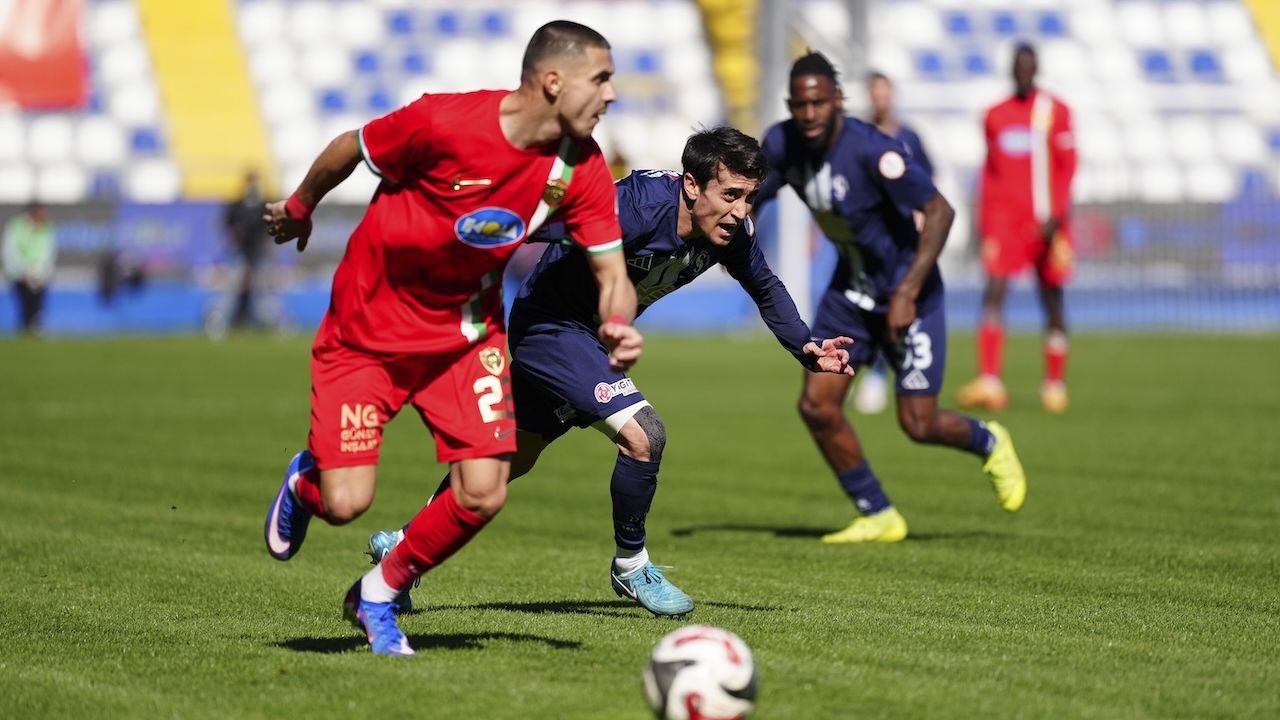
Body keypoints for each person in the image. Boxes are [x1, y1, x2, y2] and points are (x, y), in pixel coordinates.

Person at [261, 20, 643, 656]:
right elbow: (350, 146)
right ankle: (308, 482)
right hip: (367, 332)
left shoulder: (581, 167)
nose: (611, 94)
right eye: (601, 79)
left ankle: (378, 593)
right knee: (345, 503)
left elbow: (612, 273)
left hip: (465, 338)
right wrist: (300, 207)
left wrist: (619, 320)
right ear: (554, 81)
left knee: (484, 491)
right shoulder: (444, 123)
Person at [366, 127, 854, 617]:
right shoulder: (638, 207)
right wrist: (465, 227)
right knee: (644, 435)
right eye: (730, 195)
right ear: (691, 184)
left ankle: (402, 549)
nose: (741, 211)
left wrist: (805, 346)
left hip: (589, 339)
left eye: (749, 198)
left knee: (504, 463)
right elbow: (548, 220)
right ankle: (631, 564)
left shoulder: (729, 232)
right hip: (551, 327)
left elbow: (764, 286)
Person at [754, 51, 1027, 543]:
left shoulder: (873, 151)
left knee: (919, 423)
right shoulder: (781, 143)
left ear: (839, 100)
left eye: (819, 102)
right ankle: (878, 512)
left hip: (909, 294)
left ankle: (989, 440)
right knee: (816, 406)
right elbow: (752, 194)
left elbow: (940, 212)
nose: (809, 113)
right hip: (850, 294)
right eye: (799, 104)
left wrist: (907, 291)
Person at [956, 43, 1076, 414]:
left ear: (1036, 69)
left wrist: (1058, 215)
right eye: (1018, 67)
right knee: (993, 292)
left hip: (1047, 222)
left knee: (1052, 299)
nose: (1024, 73)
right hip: (1005, 223)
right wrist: (986, 222)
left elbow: (1067, 166)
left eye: (1029, 67)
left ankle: (1054, 383)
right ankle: (990, 381)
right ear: (1012, 70)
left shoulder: (1054, 112)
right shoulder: (995, 116)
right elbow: (990, 172)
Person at [852, 71, 936, 415]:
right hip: (868, 236)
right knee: (866, 306)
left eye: (884, 92)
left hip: (902, 239)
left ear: (892, 96)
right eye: (874, 93)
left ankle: (878, 375)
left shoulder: (909, 138)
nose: (880, 99)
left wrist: (922, 213)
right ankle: (873, 369)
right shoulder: (858, 136)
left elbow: (928, 180)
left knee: (895, 304)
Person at [222, 170, 272, 330]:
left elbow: (269, 228)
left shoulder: (264, 205)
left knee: (260, 288)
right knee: (237, 286)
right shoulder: (237, 205)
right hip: (240, 252)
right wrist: (236, 233)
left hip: (258, 252)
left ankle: (261, 321)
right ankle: (235, 319)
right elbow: (227, 223)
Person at [2, 202, 56, 335]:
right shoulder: (16, 227)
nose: (44, 217)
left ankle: (35, 330)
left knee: (37, 307)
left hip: (40, 277)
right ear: (33, 213)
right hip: (19, 276)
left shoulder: (47, 228)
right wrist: (23, 272)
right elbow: (10, 252)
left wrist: (38, 272)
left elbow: (48, 253)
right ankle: (24, 330)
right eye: (41, 213)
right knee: (24, 305)